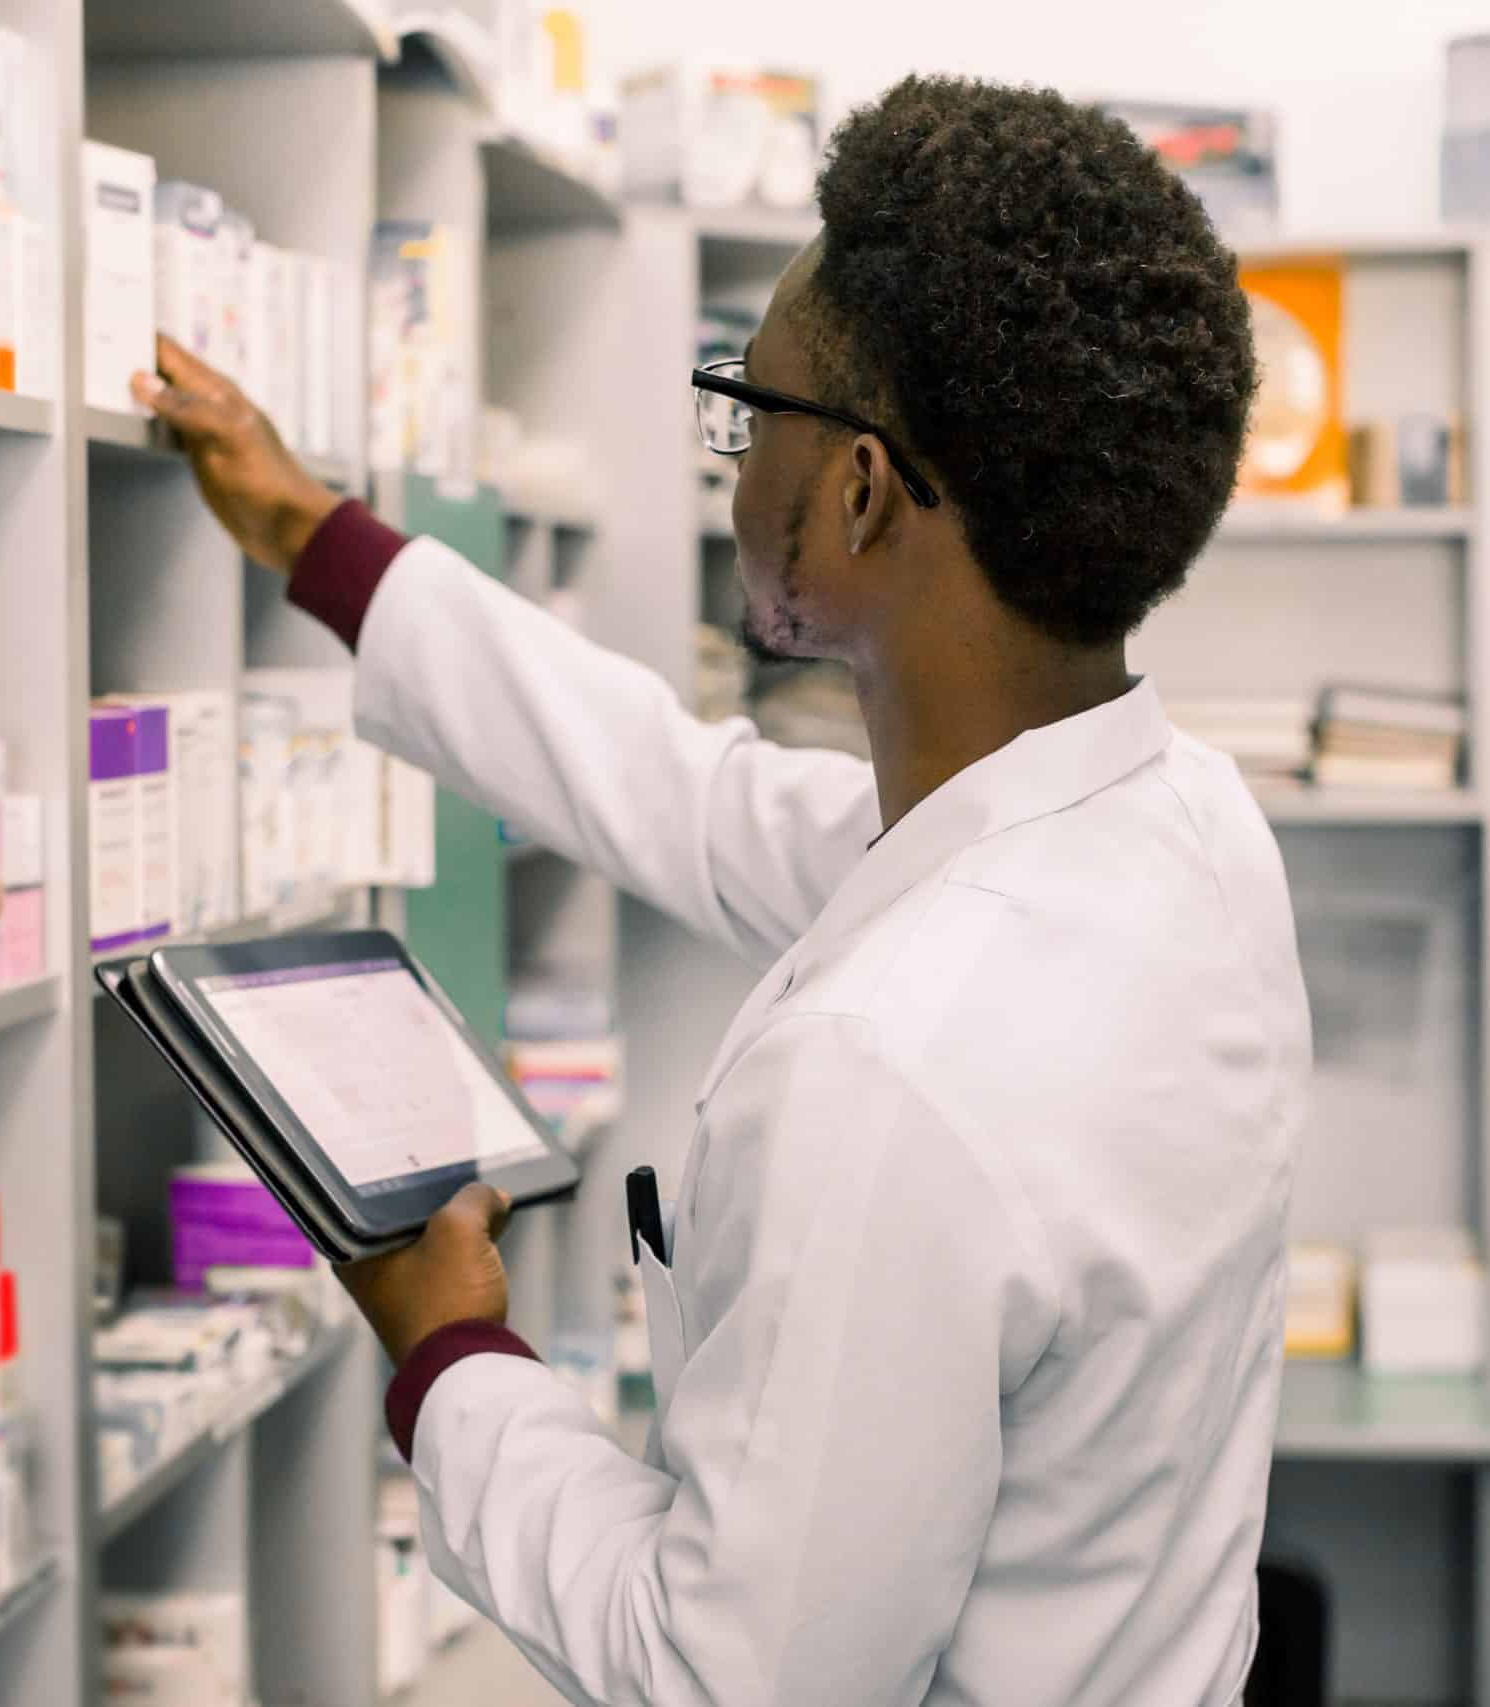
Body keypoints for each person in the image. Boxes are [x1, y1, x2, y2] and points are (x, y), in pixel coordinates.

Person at [138, 73, 1307, 1707]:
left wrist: (451, 1350)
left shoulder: (895, 1064)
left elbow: (724, 1680)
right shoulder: (1178, 831)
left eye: (748, 410)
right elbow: (692, 798)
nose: (733, 460)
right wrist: (317, 540)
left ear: (860, 491)